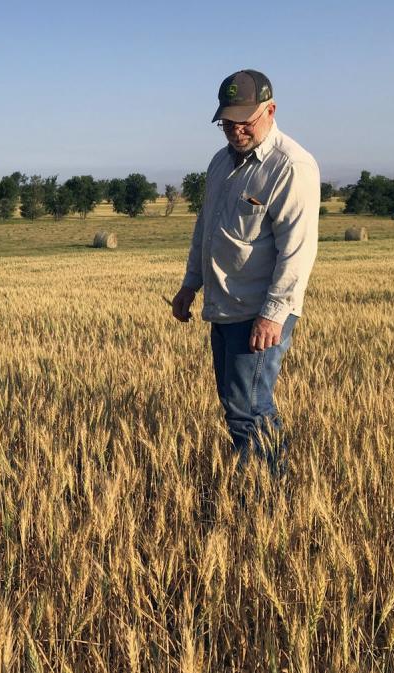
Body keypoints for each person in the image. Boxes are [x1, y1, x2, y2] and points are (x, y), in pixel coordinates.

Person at [171, 69, 319, 475]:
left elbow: (298, 249)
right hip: (223, 304)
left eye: (245, 121)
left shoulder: (291, 166)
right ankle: (262, 486)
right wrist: (190, 284)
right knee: (238, 404)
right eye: (227, 123)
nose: (235, 130)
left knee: (249, 408)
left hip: (258, 311)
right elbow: (207, 227)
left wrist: (274, 313)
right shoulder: (220, 163)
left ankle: (268, 495)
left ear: (270, 110)